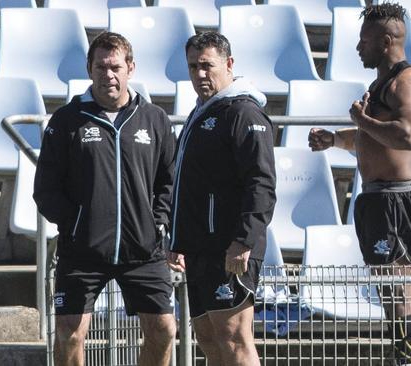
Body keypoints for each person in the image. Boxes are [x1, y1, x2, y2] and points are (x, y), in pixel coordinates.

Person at [33, 31, 177, 366]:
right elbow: (46, 188)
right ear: (89, 69)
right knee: (69, 333)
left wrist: (158, 222)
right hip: (82, 250)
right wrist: (75, 224)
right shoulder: (67, 120)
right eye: (100, 67)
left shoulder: (154, 119)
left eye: (115, 67)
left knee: (164, 331)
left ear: (131, 68)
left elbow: (170, 180)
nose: (108, 75)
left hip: (143, 249)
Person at [309, 4, 411, 365]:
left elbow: (408, 137)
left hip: (395, 199)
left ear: (387, 41)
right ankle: (401, 356)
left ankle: (407, 360)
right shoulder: (382, 83)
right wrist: (336, 139)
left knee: (397, 287)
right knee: (388, 287)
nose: (359, 48)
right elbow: (372, 138)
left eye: (365, 41)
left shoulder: (405, 82)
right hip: (377, 199)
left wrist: (361, 120)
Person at [168, 32, 276, 366]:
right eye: (192, 66)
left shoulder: (243, 113)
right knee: (210, 339)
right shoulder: (201, 112)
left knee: (234, 339)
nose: (199, 74)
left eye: (207, 66)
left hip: (230, 248)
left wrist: (243, 240)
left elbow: (262, 183)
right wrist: (178, 239)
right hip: (200, 247)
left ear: (228, 64)